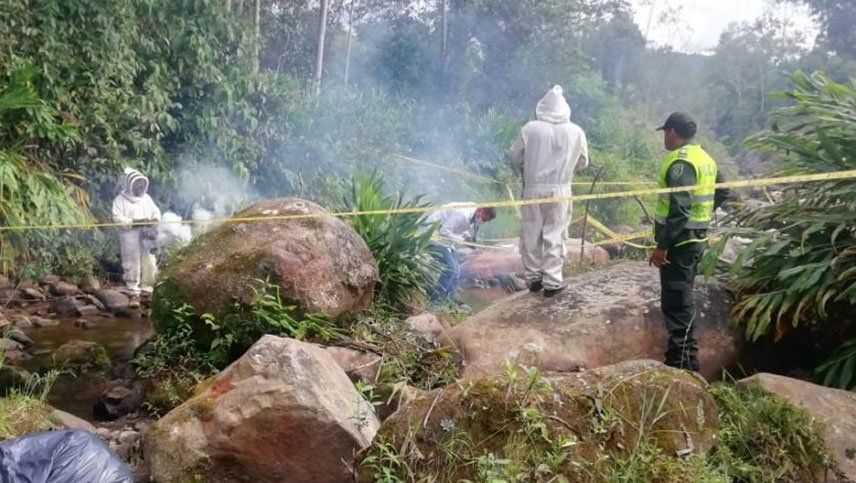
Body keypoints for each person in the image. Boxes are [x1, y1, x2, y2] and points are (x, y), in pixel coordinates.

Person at [649, 112, 732, 372]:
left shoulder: (681, 163)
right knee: (682, 296)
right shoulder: (705, 157)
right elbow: (724, 190)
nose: (664, 137)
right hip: (695, 239)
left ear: (672, 132)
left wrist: (662, 246)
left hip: (680, 244)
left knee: (676, 301)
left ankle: (682, 362)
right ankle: (684, 357)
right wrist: (704, 215)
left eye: (665, 132)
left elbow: (679, 210)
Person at [510, 85, 589, 297]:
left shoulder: (530, 128)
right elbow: (583, 162)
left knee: (531, 232)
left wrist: (530, 166)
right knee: (555, 232)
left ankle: (534, 278)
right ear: (565, 108)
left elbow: (516, 157)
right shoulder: (576, 131)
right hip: (561, 189)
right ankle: (553, 280)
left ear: (542, 107)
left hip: (533, 188)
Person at [425, 203, 497, 303]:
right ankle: (435, 302)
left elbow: (461, 228)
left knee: (457, 271)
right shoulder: (462, 214)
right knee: (451, 270)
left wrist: (469, 239)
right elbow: (444, 231)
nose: (483, 222)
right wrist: (461, 240)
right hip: (432, 237)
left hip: (445, 241)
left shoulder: (472, 214)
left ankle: (448, 302)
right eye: (484, 219)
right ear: (480, 210)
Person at [112, 168, 161, 296]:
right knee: (131, 260)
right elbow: (117, 218)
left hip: (147, 235)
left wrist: (155, 219)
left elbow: (156, 211)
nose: (139, 188)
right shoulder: (119, 200)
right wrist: (133, 222)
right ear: (130, 185)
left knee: (149, 259)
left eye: (141, 185)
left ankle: (147, 288)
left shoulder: (147, 198)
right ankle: (132, 288)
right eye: (137, 185)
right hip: (129, 236)